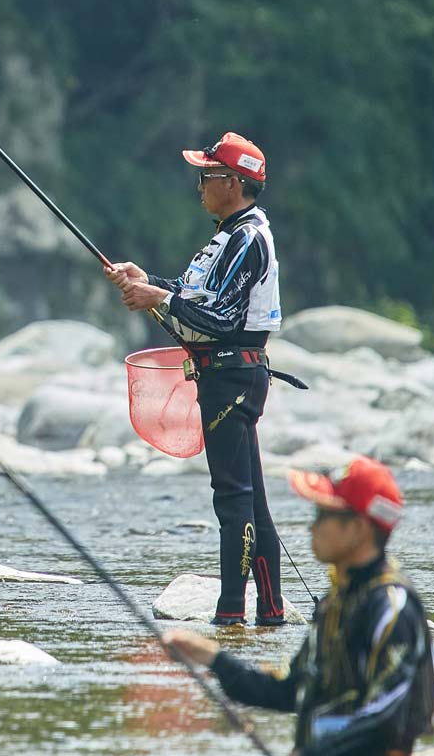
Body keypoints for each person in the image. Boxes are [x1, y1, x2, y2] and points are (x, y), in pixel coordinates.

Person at [107, 131, 285, 625]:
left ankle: (230, 616)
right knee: (252, 499)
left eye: (206, 176)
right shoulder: (230, 234)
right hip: (226, 376)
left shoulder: (248, 238)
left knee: (233, 498)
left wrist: (158, 299)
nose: (199, 186)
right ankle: (269, 614)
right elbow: (195, 297)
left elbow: (223, 320)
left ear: (233, 182)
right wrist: (149, 283)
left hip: (232, 377)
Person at [161, 456, 434, 756]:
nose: (312, 526)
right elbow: (290, 690)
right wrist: (212, 658)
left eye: (323, 514)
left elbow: (385, 718)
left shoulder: (392, 608)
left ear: (359, 528)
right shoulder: (337, 602)